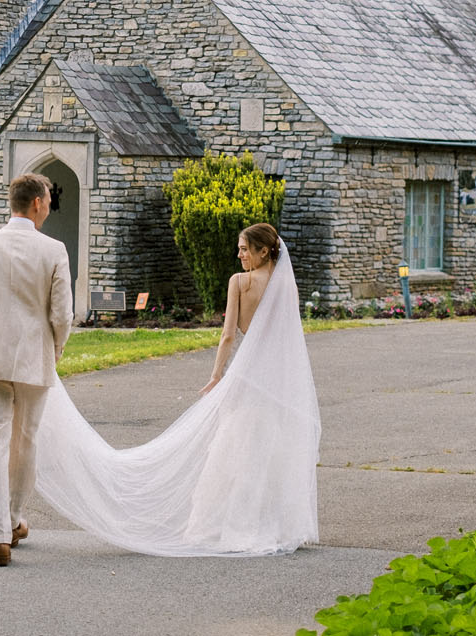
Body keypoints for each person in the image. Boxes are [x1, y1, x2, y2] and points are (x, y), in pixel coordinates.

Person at [32, 224, 321, 556]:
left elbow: (228, 336)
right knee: (267, 447)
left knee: (235, 446)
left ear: (263, 251)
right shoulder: (285, 286)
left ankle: (227, 526)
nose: (239, 255)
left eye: (244, 249)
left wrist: (216, 376)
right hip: (275, 380)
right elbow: (289, 337)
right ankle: (273, 524)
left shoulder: (239, 283)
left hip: (246, 376)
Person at [0, 171, 74, 566]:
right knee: (25, 442)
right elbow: (63, 315)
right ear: (38, 203)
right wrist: (56, 348)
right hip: (33, 356)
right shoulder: (54, 249)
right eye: (49, 202)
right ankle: (14, 519)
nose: (49, 208)